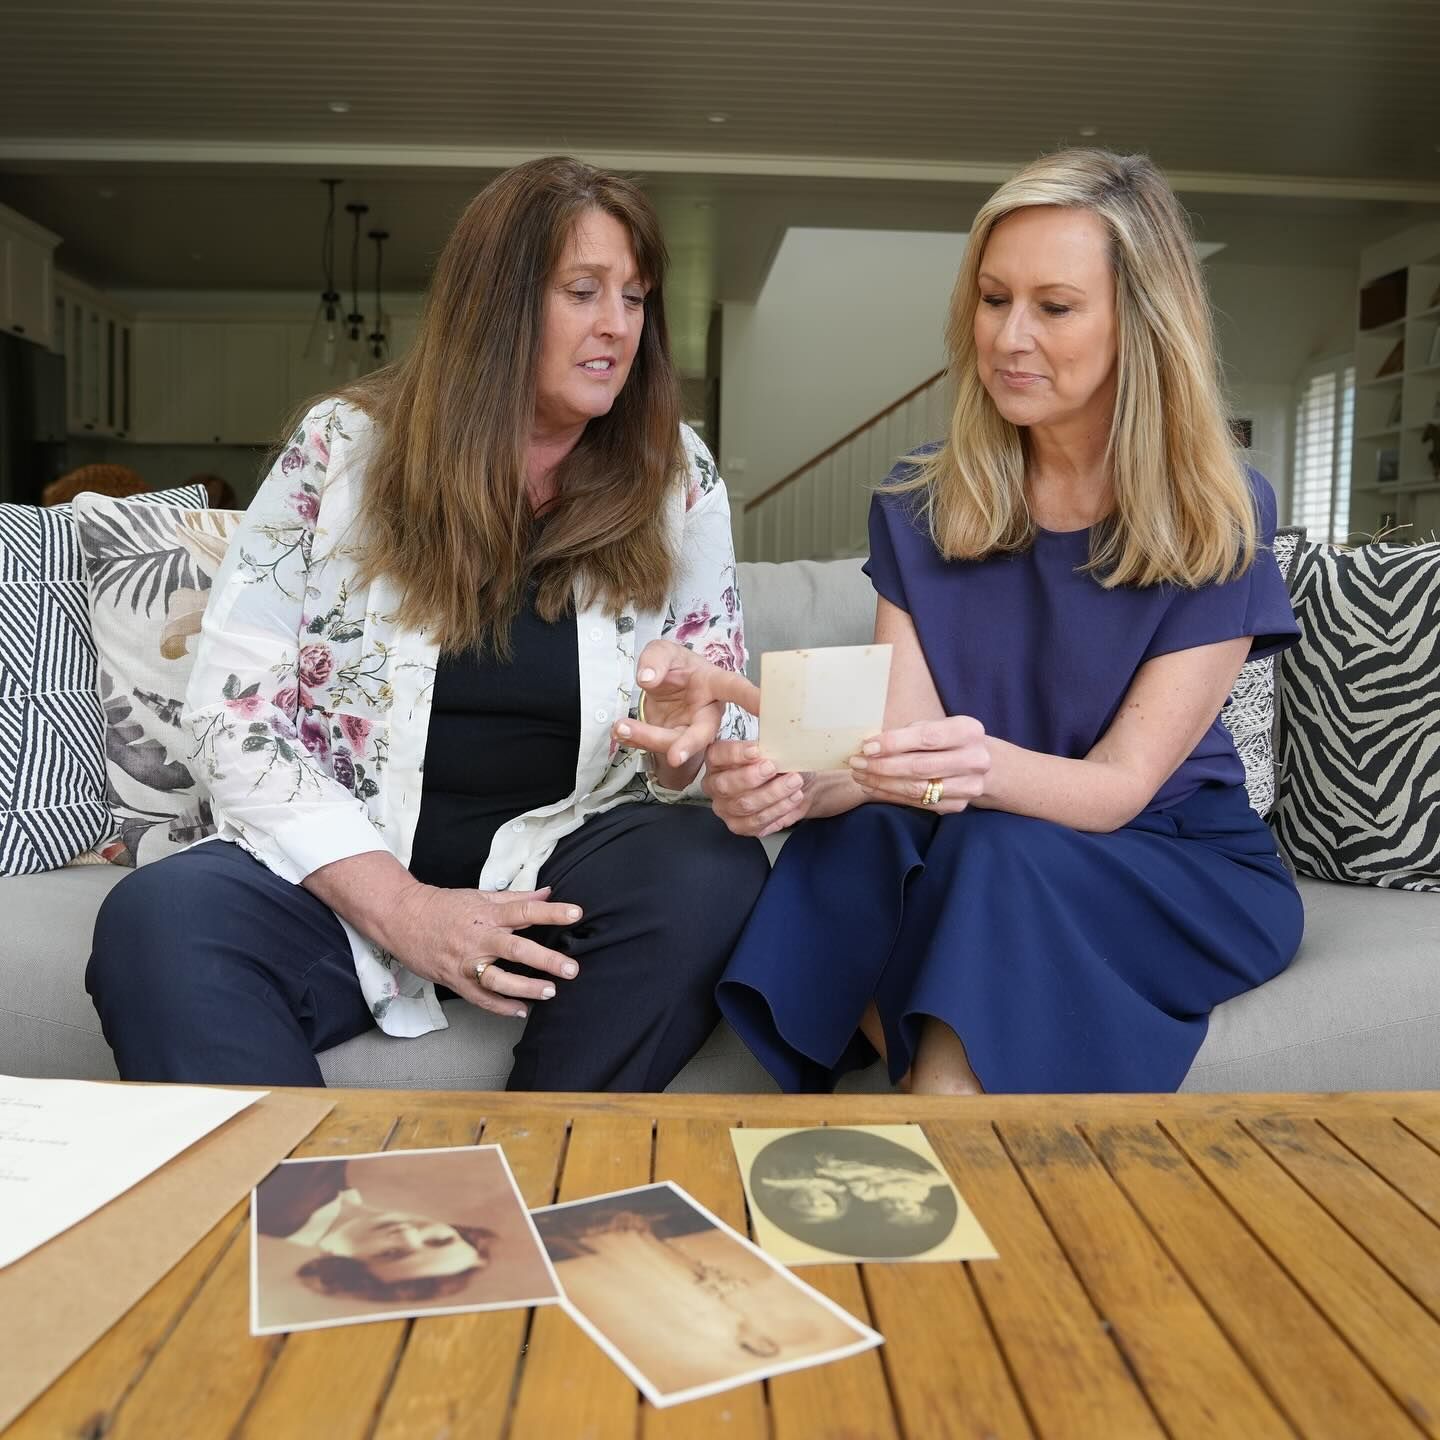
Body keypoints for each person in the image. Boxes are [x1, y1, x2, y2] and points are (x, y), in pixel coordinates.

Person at [87, 155, 769, 1091]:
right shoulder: (342, 448)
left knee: (707, 868)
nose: (618, 325)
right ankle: (296, 1188)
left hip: (559, 876)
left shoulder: (676, 475)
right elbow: (231, 716)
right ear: (498, 302)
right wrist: (405, 911)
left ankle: (539, 1159)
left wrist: (688, 746)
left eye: (635, 297)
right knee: (158, 919)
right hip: (344, 877)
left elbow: (708, 724)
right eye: (583, 292)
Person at [710, 148, 1304, 1096]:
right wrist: (796, 784)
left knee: (994, 848)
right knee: (855, 840)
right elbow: (899, 759)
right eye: (994, 300)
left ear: (1140, 324)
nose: (1010, 337)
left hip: (1168, 858)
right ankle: (953, 1120)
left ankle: (934, 1118)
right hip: (973, 842)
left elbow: (1118, 789)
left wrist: (972, 768)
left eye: (1054, 307)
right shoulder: (917, 501)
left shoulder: (1219, 510)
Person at [256, 1158, 495, 1302]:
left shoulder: (280, 1205)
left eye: (391, 1253)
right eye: (439, 1240)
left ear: (338, 1265)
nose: (408, 1233)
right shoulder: (328, 1186)